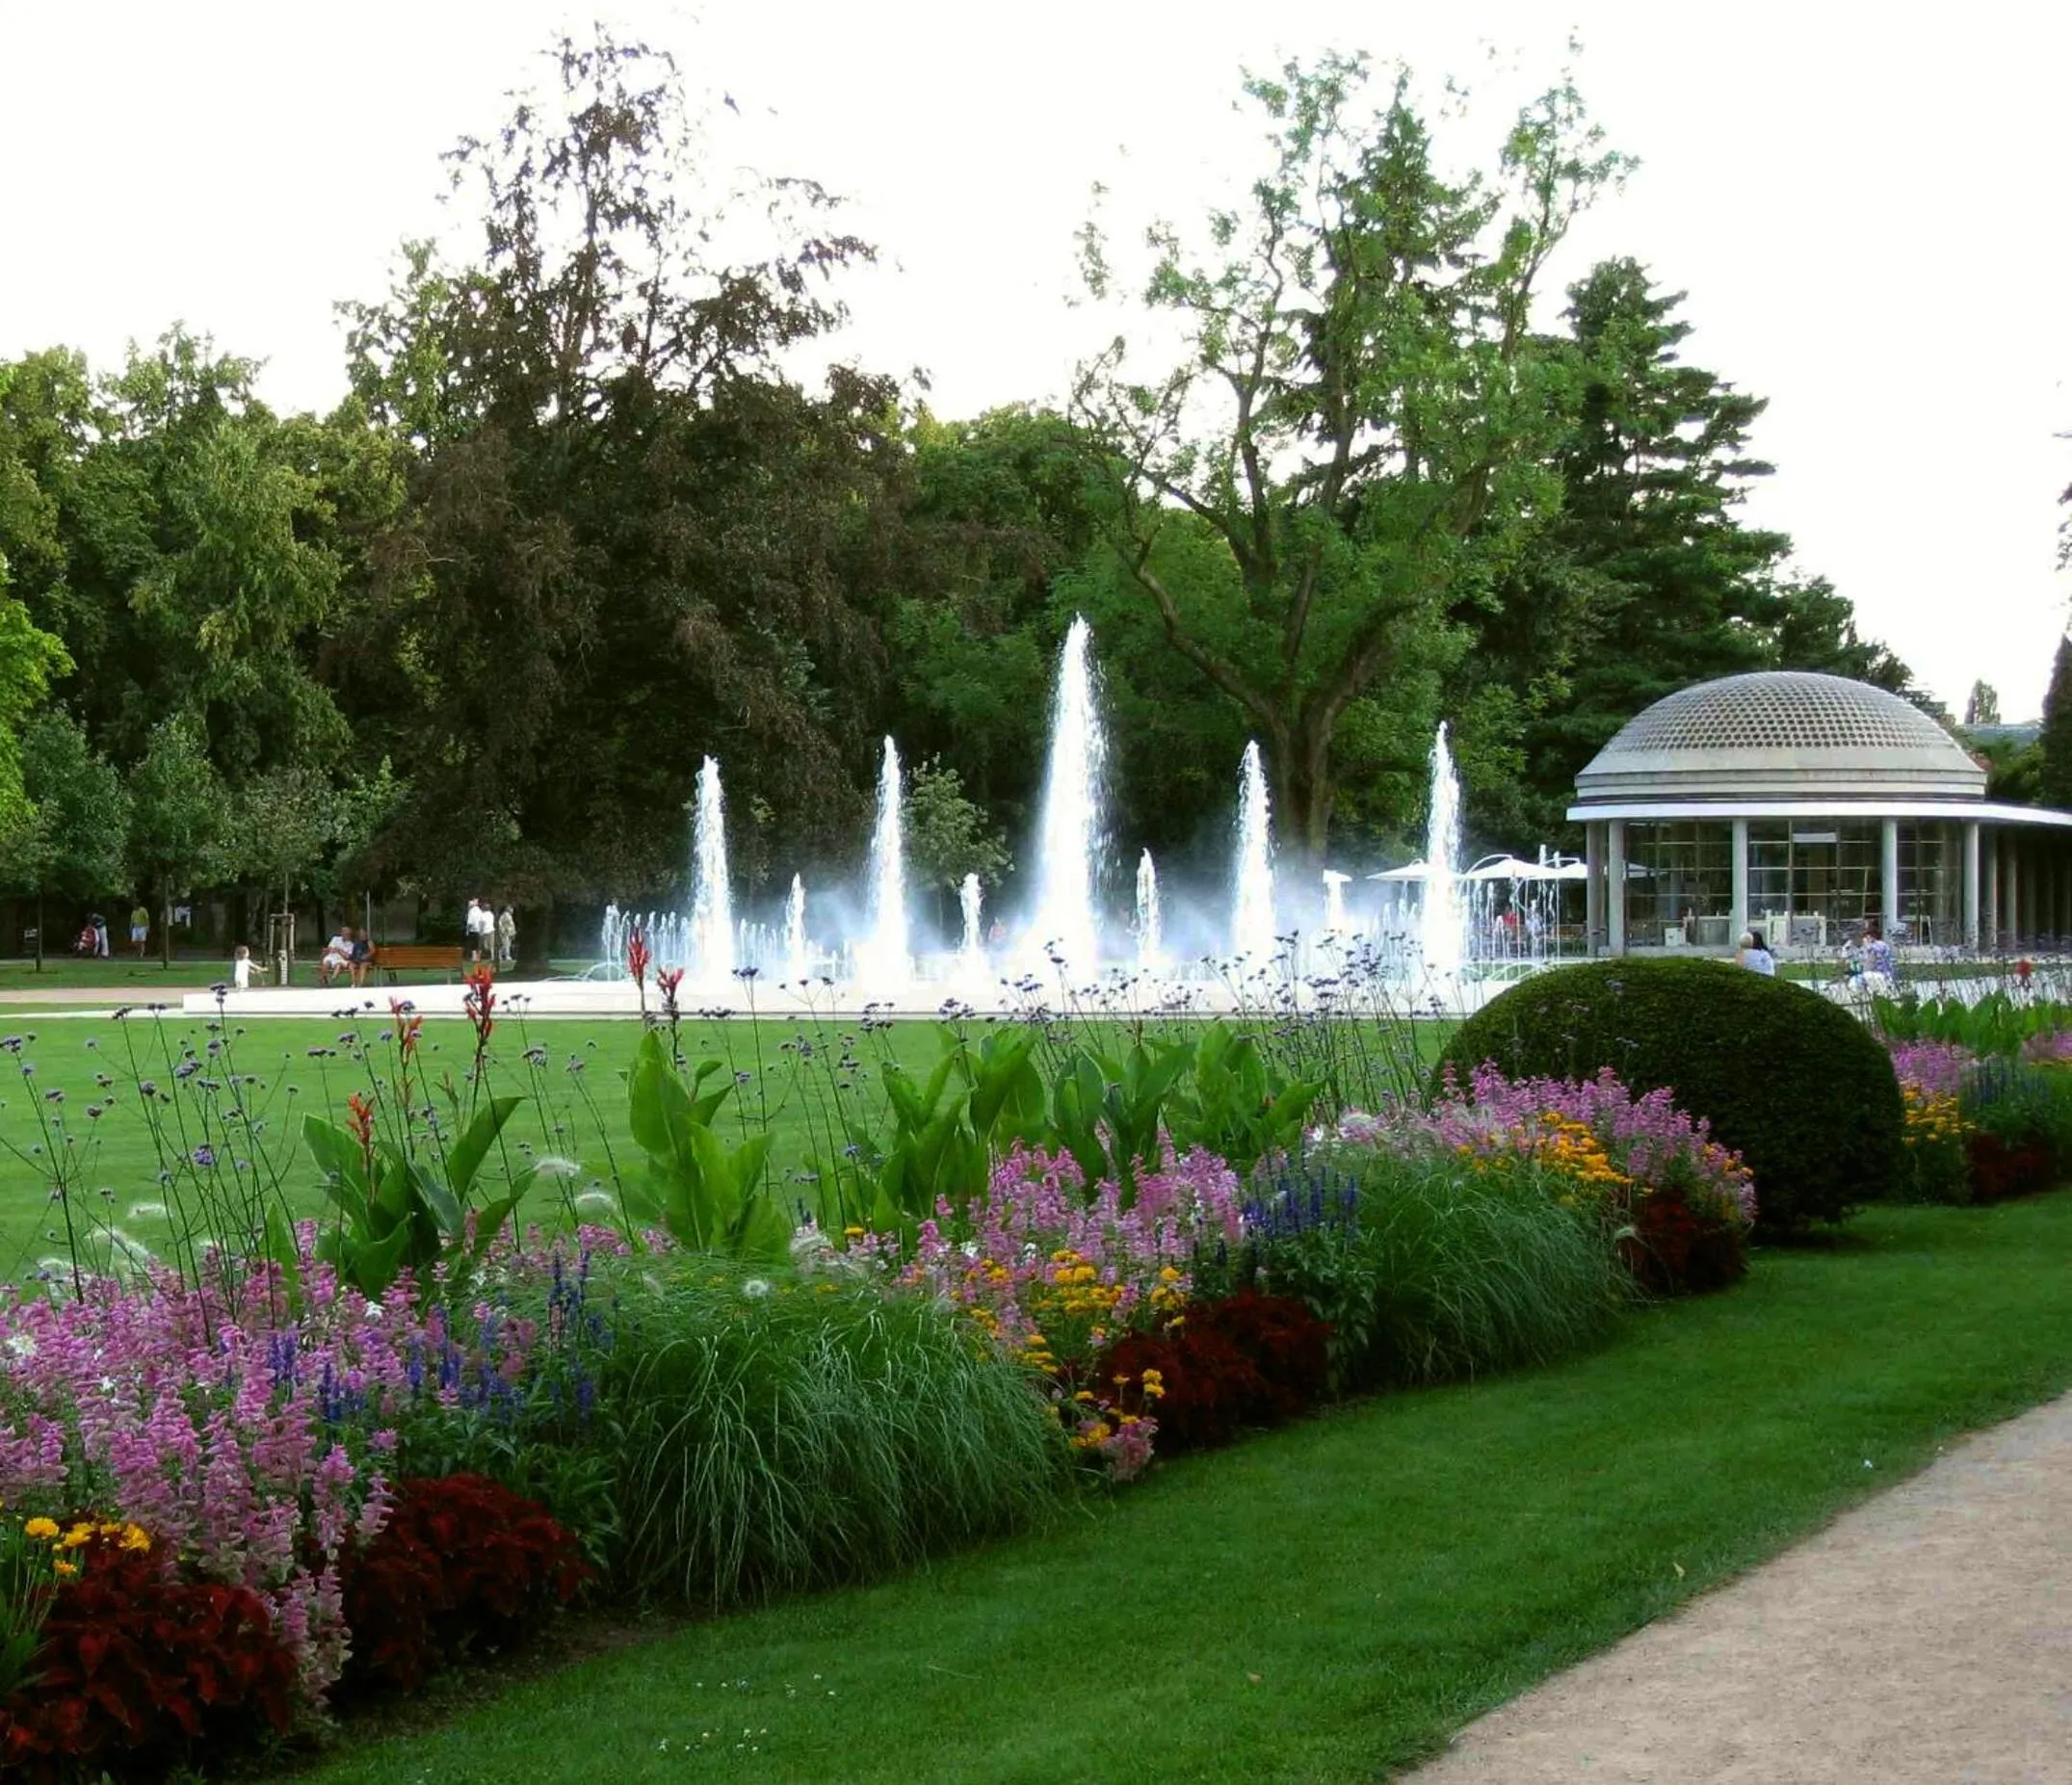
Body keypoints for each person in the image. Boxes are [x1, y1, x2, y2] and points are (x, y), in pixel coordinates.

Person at [495, 904, 516, 968]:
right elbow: (500, 923)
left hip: (509, 933)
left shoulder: (509, 915)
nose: (512, 910)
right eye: (511, 908)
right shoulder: (505, 915)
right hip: (505, 933)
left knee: (507, 944)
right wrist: (503, 930)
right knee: (505, 944)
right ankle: (506, 956)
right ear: (508, 908)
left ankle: (502, 956)